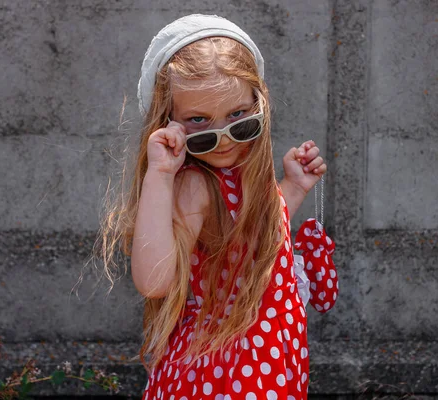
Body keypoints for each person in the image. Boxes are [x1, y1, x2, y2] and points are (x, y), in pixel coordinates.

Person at [97, 14, 339, 400]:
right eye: (200, 123)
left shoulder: (244, 173)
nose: (225, 139)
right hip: (225, 374)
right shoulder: (194, 185)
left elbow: (247, 240)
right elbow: (154, 281)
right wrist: (160, 174)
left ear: (259, 103)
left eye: (239, 119)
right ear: (170, 122)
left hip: (268, 365)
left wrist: (290, 188)